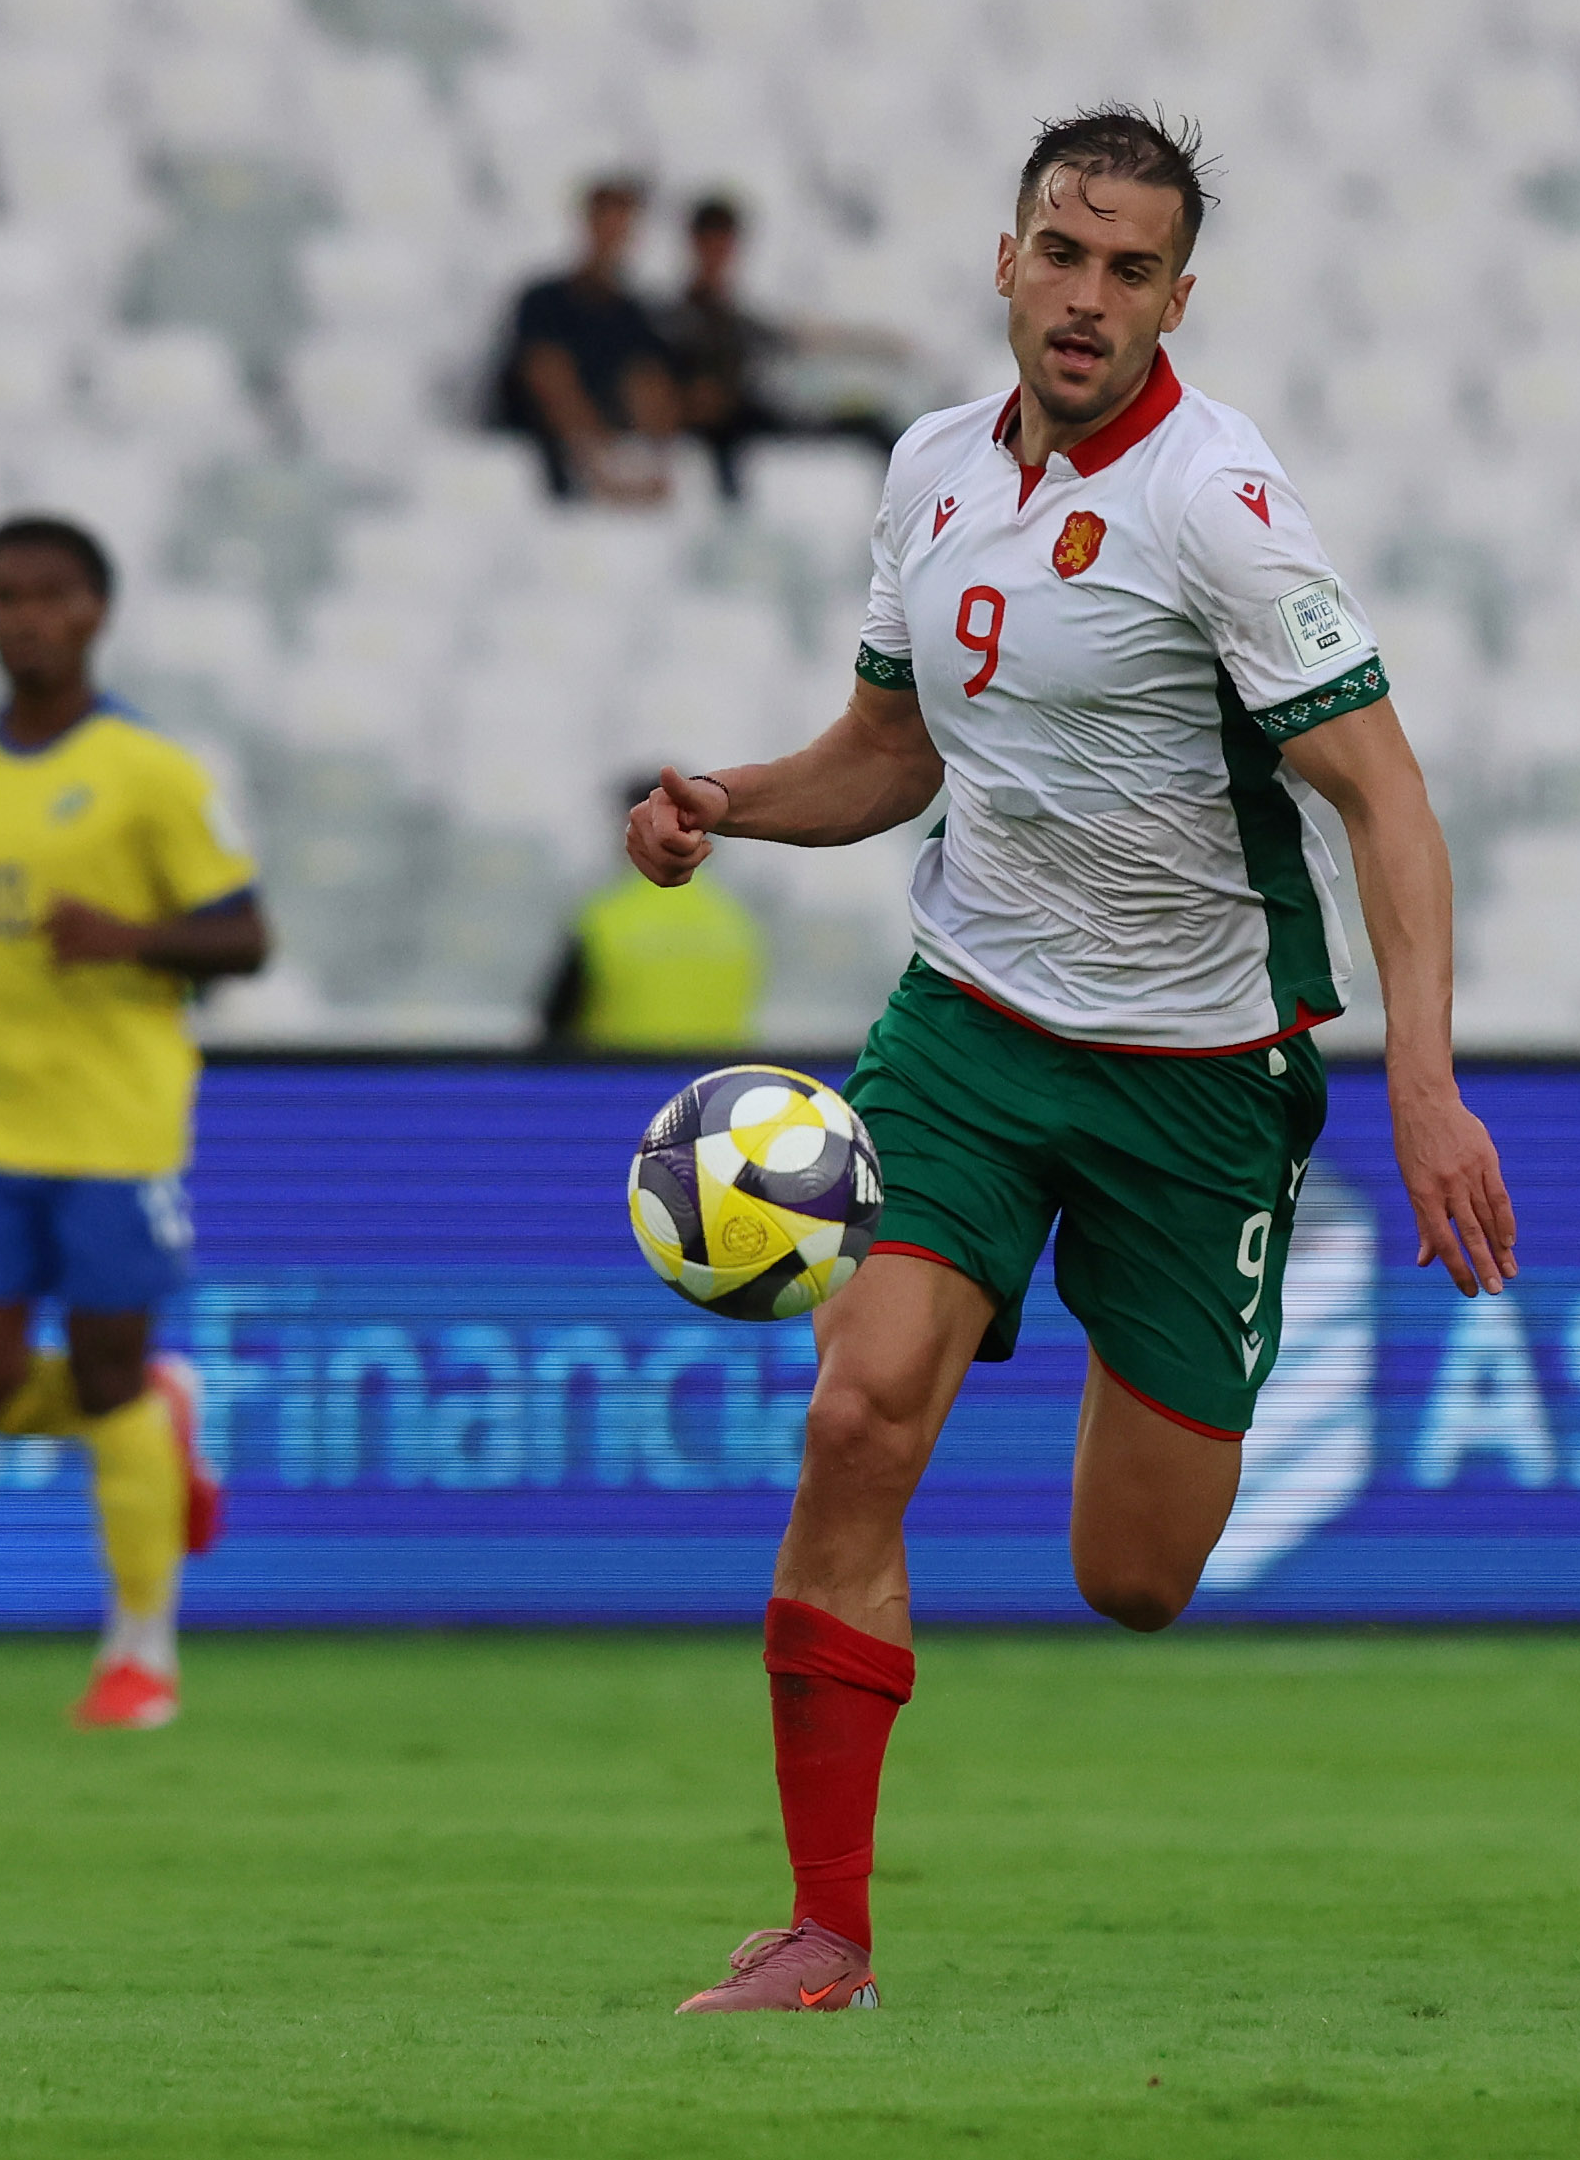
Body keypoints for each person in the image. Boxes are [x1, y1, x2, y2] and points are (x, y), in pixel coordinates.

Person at [622, 108, 1516, 2014]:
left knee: (1134, 1571)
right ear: (1007, 261)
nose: (1087, 294)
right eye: (1061, 252)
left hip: (1198, 1078)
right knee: (856, 1415)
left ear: (1175, 297)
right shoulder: (933, 465)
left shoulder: (1216, 500)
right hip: (969, 1027)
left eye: (1129, 270)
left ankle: (1108, 1313)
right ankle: (823, 1932)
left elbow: (1384, 795)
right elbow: (887, 755)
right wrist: (727, 797)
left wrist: (1423, 1079)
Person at [0, 514, 265, 1732]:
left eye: (45, 595)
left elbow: (242, 933)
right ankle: (161, 1407)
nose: (20, 616)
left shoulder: (149, 770)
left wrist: (130, 937)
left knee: (100, 1375)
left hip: (115, 1125)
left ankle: (138, 1651)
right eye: (1, 595)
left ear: (94, 611)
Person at [660, 194, 908, 501]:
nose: (719, 255)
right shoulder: (675, 320)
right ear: (696, 245)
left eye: (724, 245)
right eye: (712, 244)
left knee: (868, 423)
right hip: (724, 433)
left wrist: (874, 345)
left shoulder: (737, 320)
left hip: (755, 416)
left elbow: (797, 339)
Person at [538, 772, 765, 1052]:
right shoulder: (735, 919)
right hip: (713, 1084)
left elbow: (554, 1028)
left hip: (622, 1083)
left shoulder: (605, 916)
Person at [494, 176, 682, 504]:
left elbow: (650, 384)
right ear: (588, 223)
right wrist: (599, 463)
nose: (615, 233)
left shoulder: (634, 313)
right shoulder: (544, 299)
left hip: (610, 447)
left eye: (623, 224)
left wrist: (653, 464)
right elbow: (547, 376)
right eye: (607, 221)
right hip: (546, 451)